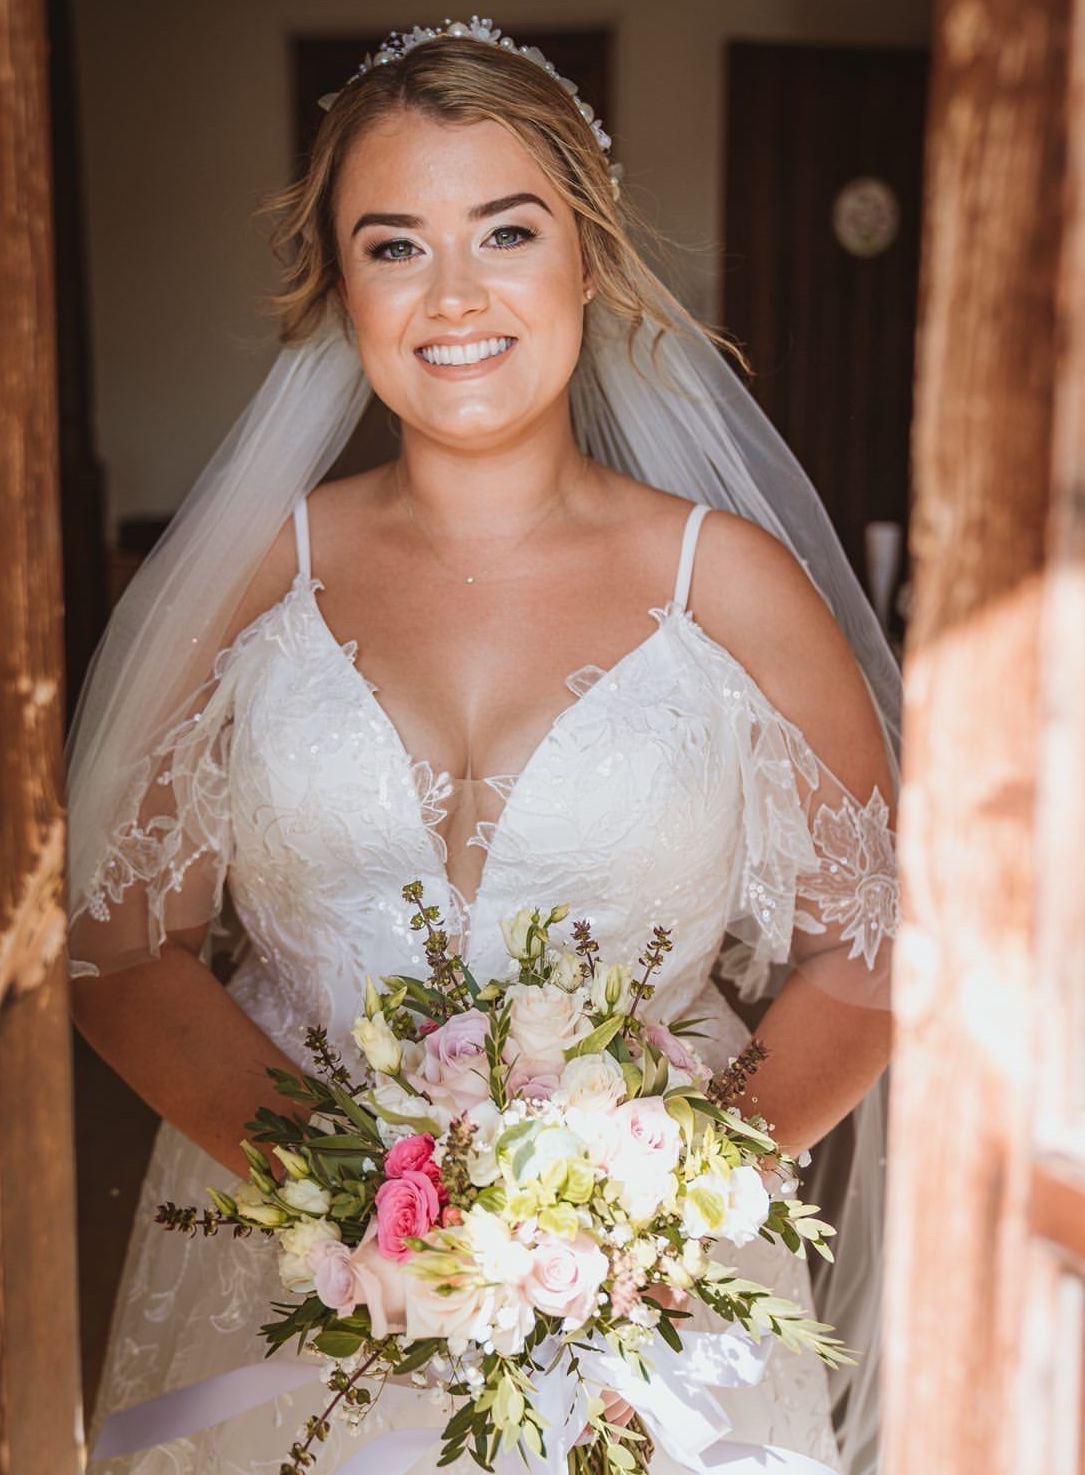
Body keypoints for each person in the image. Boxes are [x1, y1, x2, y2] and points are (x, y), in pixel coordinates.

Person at [66, 20, 900, 1475]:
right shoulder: (248, 586)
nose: (452, 294)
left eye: (504, 232)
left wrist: (645, 1209)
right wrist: (346, 1197)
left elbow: (874, 952)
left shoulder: (737, 588)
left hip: (650, 1315)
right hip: (282, 1300)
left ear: (585, 251)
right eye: (393, 246)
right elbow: (125, 949)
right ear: (338, 286)